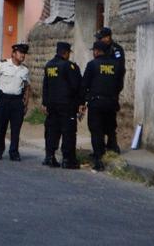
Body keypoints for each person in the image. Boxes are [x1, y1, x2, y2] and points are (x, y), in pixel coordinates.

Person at [80, 41, 124, 171]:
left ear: (97, 51)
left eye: (94, 50)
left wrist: (82, 102)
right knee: (110, 129)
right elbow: (119, 85)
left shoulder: (92, 65)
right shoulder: (117, 65)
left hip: (96, 103)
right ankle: (111, 152)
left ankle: (99, 160)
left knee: (96, 131)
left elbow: (84, 85)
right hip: (111, 103)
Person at [41, 42, 82, 169]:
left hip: (52, 105)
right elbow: (77, 86)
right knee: (68, 132)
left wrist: (45, 103)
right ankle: (68, 159)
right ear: (66, 53)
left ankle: (50, 156)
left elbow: (45, 86)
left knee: (52, 130)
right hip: (67, 105)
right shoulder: (69, 66)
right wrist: (80, 103)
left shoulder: (49, 66)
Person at [0, 43, 30, 161]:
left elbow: (27, 87)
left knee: (16, 128)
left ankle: (14, 152)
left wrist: (26, 103)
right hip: (3, 100)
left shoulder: (25, 70)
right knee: (0, 127)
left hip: (17, 102)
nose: (23, 55)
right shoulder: (2, 65)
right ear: (13, 53)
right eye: (20, 53)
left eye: (24, 54)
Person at [95, 27, 125, 154]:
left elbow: (119, 70)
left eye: (101, 37)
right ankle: (100, 147)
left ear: (108, 37)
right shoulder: (102, 49)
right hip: (101, 87)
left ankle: (112, 144)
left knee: (110, 118)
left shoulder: (116, 49)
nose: (100, 40)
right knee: (100, 120)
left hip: (112, 88)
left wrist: (116, 89)